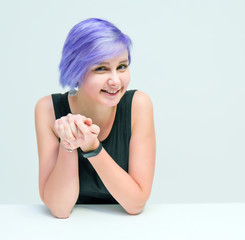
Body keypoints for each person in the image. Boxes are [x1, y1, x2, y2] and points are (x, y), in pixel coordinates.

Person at [34, 18, 156, 218]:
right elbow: (60, 209)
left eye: (122, 67)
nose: (115, 80)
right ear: (76, 70)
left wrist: (92, 148)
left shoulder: (139, 105)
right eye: (101, 68)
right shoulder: (47, 109)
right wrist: (68, 144)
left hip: (125, 228)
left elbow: (135, 204)